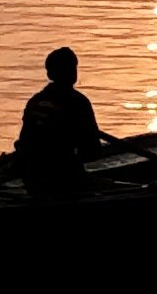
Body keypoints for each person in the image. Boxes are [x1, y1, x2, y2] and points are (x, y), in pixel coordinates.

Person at [14, 44, 109, 193]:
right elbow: (92, 152)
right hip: (64, 181)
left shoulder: (35, 101)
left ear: (50, 74)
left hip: (33, 180)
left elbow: (24, 142)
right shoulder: (78, 102)